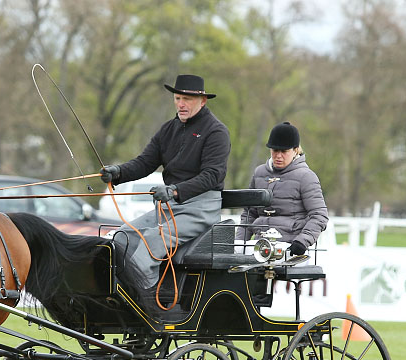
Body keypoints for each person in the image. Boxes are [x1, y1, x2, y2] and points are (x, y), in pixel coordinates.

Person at [100, 74, 231, 310]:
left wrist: (175, 191)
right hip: (169, 207)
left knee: (152, 241)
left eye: (187, 99)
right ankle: (117, 297)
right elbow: (144, 163)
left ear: (202, 101)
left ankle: (146, 303)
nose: (181, 103)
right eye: (178, 98)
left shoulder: (216, 132)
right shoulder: (168, 130)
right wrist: (118, 172)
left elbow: (212, 175)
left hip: (200, 210)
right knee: (122, 236)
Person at [236, 122, 328, 256]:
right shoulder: (259, 173)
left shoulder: (306, 177)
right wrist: (239, 243)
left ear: (295, 150)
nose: (278, 156)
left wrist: (302, 241)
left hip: (289, 248)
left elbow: (320, 216)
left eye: (284, 151)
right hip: (259, 246)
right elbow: (249, 214)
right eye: (275, 150)